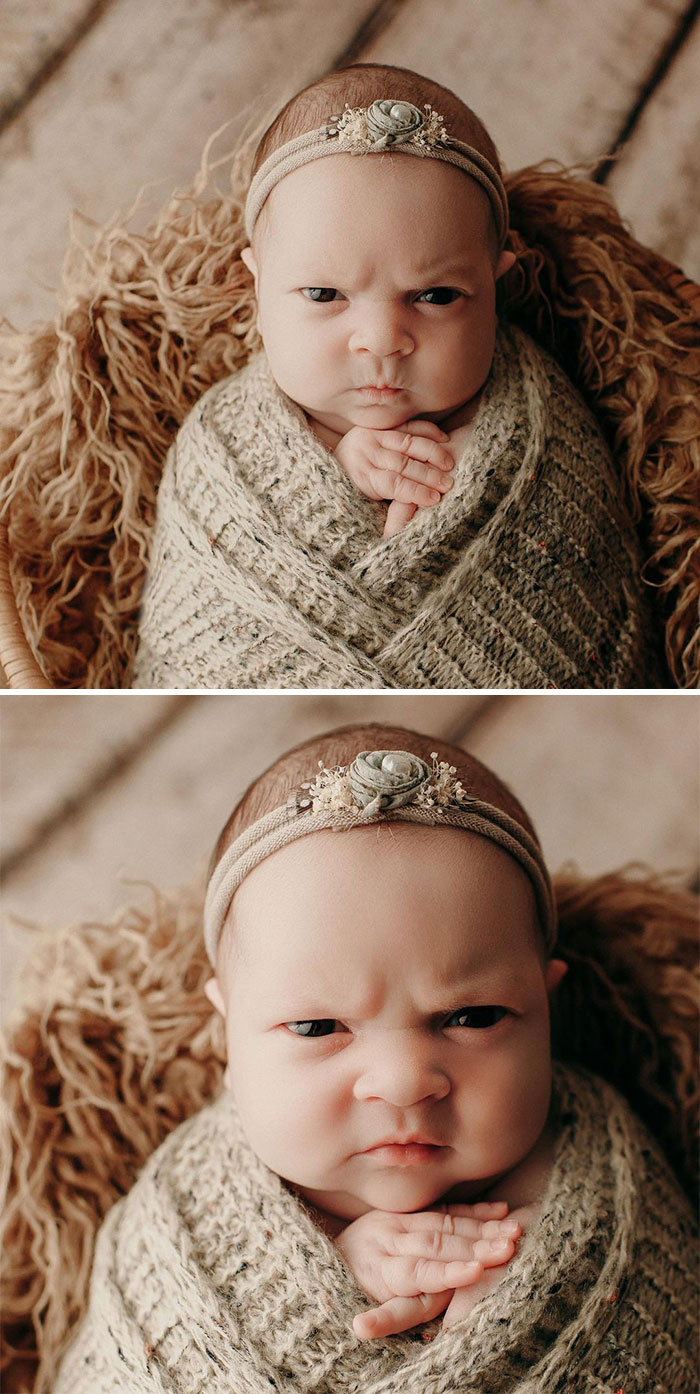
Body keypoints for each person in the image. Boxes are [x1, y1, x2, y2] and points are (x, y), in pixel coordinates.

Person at [52, 724, 698, 1393]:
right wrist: (332, 1272)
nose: (402, 1081)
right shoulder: (196, 1198)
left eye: (472, 1017)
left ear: (546, 1007)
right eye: (316, 1026)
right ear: (227, 1035)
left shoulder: (603, 1164)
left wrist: (550, 1279)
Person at [133, 63, 664, 690]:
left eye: (436, 296)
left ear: (497, 284)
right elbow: (193, 618)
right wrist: (340, 461)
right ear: (257, 286)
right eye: (324, 293)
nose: (383, 339)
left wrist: (476, 483)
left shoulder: (543, 427)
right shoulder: (223, 440)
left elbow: (580, 562)